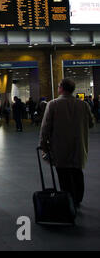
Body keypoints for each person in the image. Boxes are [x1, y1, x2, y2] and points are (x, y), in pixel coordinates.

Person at [40, 78, 94, 209]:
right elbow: (91, 124)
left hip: (60, 146)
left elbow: (45, 126)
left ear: (61, 88)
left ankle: (68, 199)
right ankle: (78, 199)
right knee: (77, 172)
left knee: (63, 174)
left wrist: (43, 144)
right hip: (78, 146)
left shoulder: (53, 104)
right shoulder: (83, 105)